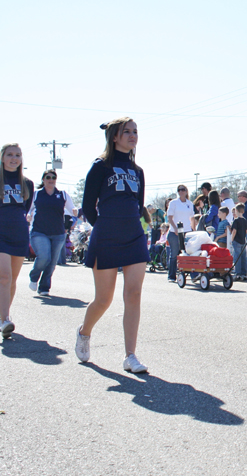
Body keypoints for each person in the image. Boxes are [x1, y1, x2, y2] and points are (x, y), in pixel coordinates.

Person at [75, 117, 150, 373]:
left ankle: (130, 356)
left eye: (135, 131)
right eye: (126, 131)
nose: (132, 135)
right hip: (106, 237)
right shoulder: (101, 166)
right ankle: (84, 332)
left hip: (134, 236)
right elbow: (88, 206)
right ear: (114, 137)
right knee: (103, 299)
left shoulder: (138, 170)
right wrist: (104, 227)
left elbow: (138, 206)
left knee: (134, 294)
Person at [0, 144, 34, 338]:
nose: (14, 158)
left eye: (18, 155)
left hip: (19, 234)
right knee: (4, 277)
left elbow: (25, 208)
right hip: (1, 233)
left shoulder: (27, 183)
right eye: (10, 154)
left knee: (12, 279)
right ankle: (6, 319)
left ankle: (2, 318)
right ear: (2, 157)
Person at [27, 169, 77, 296]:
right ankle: (34, 277)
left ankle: (44, 287)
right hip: (39, 231)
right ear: (43, 179)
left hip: (58, 233)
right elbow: (28, 208)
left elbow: (72, 209)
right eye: (48, 177)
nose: (51, 180)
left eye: (53, 177)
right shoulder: (36, 194)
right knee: (44, 257)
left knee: (52, 262)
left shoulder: (62, 194)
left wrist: (76, 213)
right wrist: (28, 215)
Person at [165, 184, 194, 283]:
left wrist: (193, 230)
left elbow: (192, 218)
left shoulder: (190, 203)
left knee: (188, 253)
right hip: (175, 232)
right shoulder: (173, 203)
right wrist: (175, 228)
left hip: (187, 231)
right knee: (174, 254)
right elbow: (169, 217)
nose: (181, 192)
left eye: (183, 190)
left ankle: (192, 274)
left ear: (186, 191)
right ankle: (171, 276)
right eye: (179, 190)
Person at [230, 203, 247, 281]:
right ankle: (244, 273)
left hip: (237, 240)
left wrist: (232, 239)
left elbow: (234, 231)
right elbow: (246, 230)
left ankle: (237, 273)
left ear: (236, 210)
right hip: (243, 240)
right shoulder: (244, 220)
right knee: (243, 257)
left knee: (237, 258)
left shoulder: (236, 220)